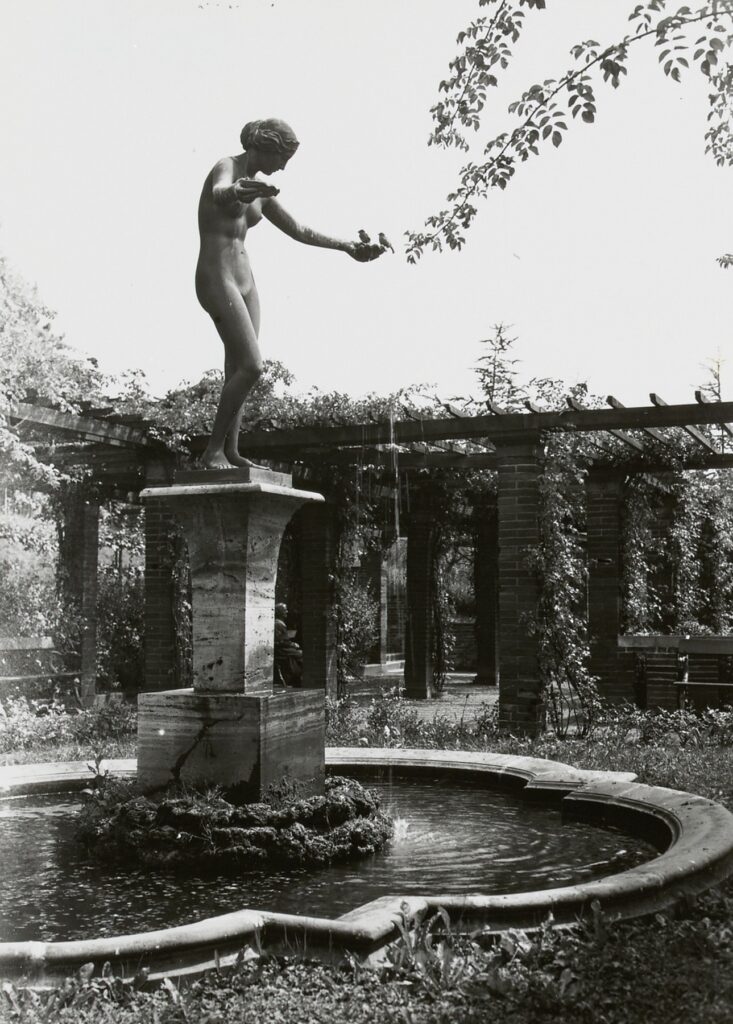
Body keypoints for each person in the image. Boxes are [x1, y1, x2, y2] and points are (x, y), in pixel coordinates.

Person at [195, 117, 386, 470]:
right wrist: (237, 191)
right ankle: (212, 452)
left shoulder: (260, 190)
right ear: (264, 145)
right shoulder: (229, 166)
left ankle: (231, 451)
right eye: (281, 157)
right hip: (216, 274)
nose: (282, 167)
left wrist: (347, 247)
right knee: (252, 366)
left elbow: (300, 230)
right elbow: (220, 191)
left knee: (237, 366)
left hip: (245, 277)